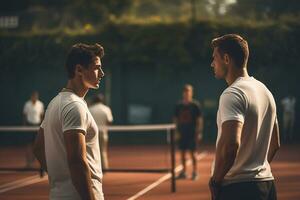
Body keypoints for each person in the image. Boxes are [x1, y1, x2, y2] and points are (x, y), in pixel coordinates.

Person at [209, 34, 280, 200]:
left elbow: (231, 146)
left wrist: (215, 181)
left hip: (238, 188)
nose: (212, 64)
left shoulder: (232, 93)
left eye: (215, 58)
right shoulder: (265, 91)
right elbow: (275, 143)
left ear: (226, 59)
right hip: (267, 185)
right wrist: (256, 169)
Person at [33, 43, 105, 200]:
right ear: (79, 70)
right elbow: (77, 161)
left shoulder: (54, 103)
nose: (101, 73)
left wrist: (61, 179)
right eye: (96, 68)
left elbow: (38, 148)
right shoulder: (75, 106)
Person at [174, 84, 203, 181]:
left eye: (188, 91)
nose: (187, 93)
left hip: (192, 133)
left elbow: (199, 120)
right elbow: (175, 119)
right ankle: (183, 172)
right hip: (182, 133)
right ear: (183, 93)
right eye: (185, 91)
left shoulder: (195, 105)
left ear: (191, 93)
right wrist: (176, 132)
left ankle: (195, 172)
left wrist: (199, 132)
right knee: (182, 153)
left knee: (193, 153)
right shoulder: (179, 105)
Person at [89, 94, 113, 171]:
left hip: (91, 133)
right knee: (102, 151)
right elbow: (109, 121)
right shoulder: (106, 109)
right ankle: (104, 168)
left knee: (91, 152)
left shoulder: (90, 109)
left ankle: (93, 169)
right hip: (103, 133)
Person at [23, 91, 44, 168]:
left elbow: (41, 116)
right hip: (29, 126)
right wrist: (25, 126)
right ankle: (28, 163)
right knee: (28, 145)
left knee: (37, 145)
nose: (35, 97)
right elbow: (24, 116)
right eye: (33, 96)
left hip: (37, 126)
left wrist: (41, 126)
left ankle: (38, 163)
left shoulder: (40, 104)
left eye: (36, 96)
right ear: (31, 96)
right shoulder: (27, 104)